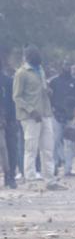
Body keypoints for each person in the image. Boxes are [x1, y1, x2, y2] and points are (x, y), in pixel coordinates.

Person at [13, 46, 61, 189]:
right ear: (26, 57)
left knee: (47, 148)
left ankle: (50, 180)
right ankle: (31, 181)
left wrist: (48, 91)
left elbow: (42, 89)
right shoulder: (21, 73)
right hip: (30, 117)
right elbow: (17, 97)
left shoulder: (40, 70)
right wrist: (31, 110)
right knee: (31, 149)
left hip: (46, 114)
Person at [48, 62, 75, 177]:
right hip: (56, 115)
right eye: (64, 65)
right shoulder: (53, 82)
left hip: (71, 117)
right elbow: (48, 98)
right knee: (55, 142)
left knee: (70, 144)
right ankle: (53, 168)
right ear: (60, 68)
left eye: (68, 65)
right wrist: (52, 111)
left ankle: (68, 169)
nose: (66, 68)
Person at [0, 48, 18, 187]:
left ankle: (10, 176)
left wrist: (11, 119)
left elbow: (13, 101)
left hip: (10, 120)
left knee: (11, 149)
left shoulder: (8, 81)